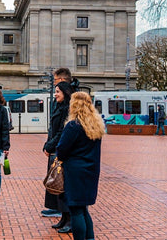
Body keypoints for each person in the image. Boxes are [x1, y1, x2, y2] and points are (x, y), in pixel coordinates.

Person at [56, 92, 105, 240]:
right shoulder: (96, 126)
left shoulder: (73, 125)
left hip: (75, 172)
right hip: (91, 171)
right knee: (83, 209)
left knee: (76, 210)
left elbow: (62, 149)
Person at [42, 67, 74, 218]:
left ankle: (63, 212)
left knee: (59, 178)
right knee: (54, 176)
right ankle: (57, 209)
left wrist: (50, 145)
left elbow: (61, 131)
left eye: (56, 90)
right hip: (55, 146)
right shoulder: (59, 105)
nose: (54, 94)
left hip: (59, 148)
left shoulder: (67, 107)